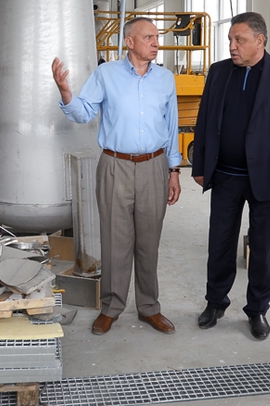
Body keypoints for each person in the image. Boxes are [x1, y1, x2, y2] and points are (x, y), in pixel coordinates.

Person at [52, 17, 182, 335]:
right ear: (129, 42)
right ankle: (111, 307)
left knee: (149, 242)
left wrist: (174, 170)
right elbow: (83, 112)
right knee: (115, 241)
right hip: (115, 166)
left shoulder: (165, 79)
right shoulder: (106, 74)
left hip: (154, 165)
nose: (156, 42)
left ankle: (149, 307)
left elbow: (171, 127)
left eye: (156, 37)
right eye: (148, 37)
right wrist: (66, 92)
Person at [191, 12, 270, 340]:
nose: (232, 46)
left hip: (268, 179)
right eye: (230, 39)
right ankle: (215, 302)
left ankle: (257, 309)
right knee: (220, 243)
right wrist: (200, 166)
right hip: (225, 176)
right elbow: (204, 120)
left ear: (260, 40)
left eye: (239, 40)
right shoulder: (219, 72)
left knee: (264, 247)